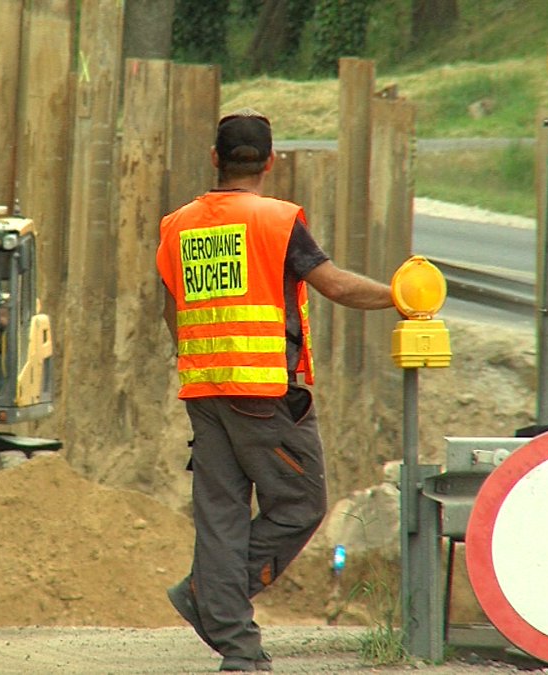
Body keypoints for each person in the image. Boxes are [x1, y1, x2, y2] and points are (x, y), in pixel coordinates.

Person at [155, 109, 395, 673]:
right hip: (263, 392)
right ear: (270, 162)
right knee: (300, 503)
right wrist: (400, 294)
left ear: (215, 158)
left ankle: (237, 647)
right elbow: (334, 284)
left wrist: (206, 359)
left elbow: (173, 309)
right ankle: (212, 602)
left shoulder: (177, 226)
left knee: (220, 516)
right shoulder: (274, 220)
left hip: (205, 389)